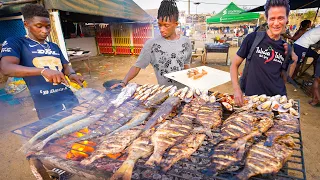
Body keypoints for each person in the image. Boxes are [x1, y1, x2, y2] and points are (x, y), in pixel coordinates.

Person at [0, 4, 83, 119]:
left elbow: (65, 66)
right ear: (26, 25)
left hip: (69, 97)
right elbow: (6, 68)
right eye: (39, 26)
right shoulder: (16, 42)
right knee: (57, 134)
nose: (45, 31)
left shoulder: (53, 46)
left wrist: (72, 74)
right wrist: (43, 71)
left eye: (48, 26)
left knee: (79, 128)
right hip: (47, 104)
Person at [230, 0, 298, 106]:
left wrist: (293, 60)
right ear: (267, 19)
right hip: (252, 100)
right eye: (272, 18)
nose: (276, 23)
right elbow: (234, 65)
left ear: (287, 19)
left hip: (275, 102)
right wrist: (236, 89)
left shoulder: (286, 47)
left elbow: (285, 78)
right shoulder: (252, 38)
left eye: (280, 18)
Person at [111, 0, 191, 89]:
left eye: (166, 25)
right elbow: (137, 66)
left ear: (176, 24)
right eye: (160, 25)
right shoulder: (151, 44)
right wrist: (124, 82)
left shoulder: (186, 42)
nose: (161, 29)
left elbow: (186, 64)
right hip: (165, 93)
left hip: (185, 91)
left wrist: (192, 81)